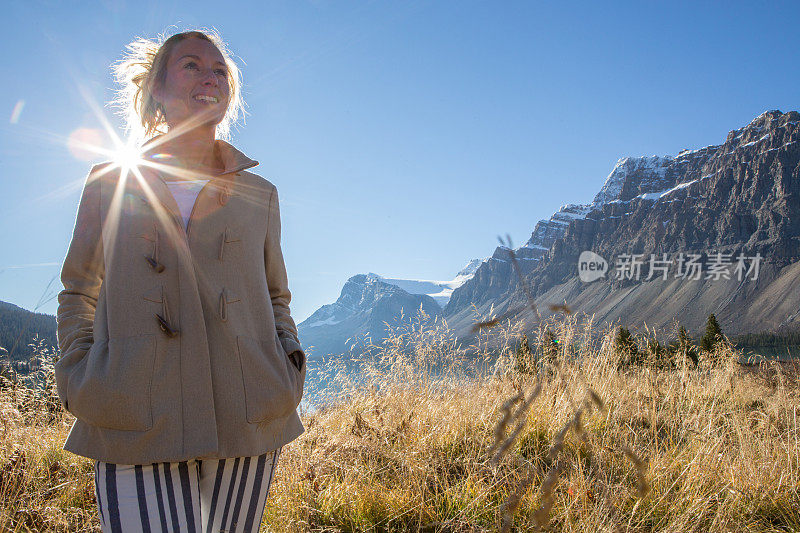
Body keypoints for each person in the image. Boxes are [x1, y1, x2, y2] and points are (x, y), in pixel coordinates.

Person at [54, 29, 306, 532]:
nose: (209, 76)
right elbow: (80, 289)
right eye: (191, 65)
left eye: (219, 71)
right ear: (156, 89)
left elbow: (276, 293)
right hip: (132, 413)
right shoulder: (111, 182)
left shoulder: (261, 193)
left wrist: (285, 364)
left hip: (248, 413)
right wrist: (84, 372)